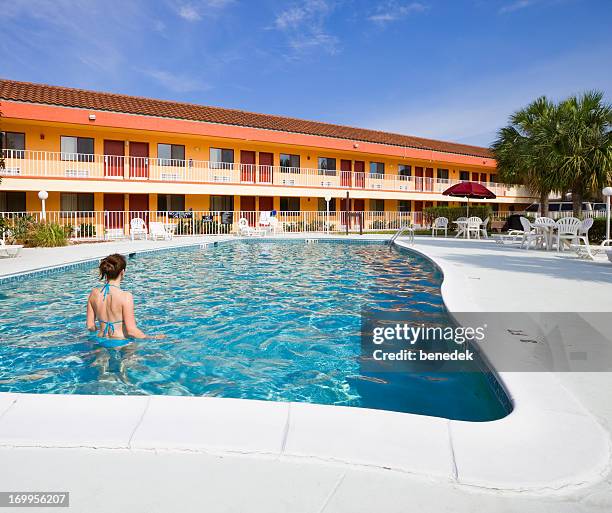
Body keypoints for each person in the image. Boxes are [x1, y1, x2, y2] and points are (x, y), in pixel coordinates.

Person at [87, 253, 161, 346]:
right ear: (122, 272)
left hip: (101, 341)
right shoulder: (126, 296)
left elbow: (90, 326)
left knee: (99, 360)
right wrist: (152, 338)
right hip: (121, 343)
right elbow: (131, 331)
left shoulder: (94, 293)